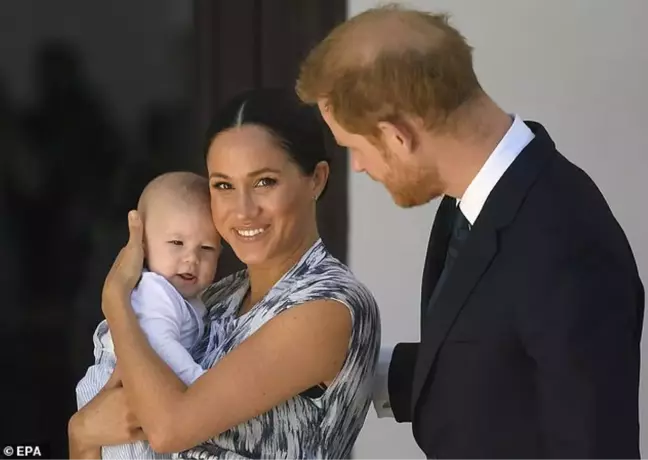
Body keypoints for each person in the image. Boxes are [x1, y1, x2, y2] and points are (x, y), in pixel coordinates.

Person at [296, 5, 644, 460]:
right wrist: (344, 366)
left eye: (355, 148)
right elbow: (494, 364)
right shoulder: (475, 199)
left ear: (397, 136)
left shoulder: (567, 242)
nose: (358, 166)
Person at [68, 88, 381, 460]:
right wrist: (81, 433)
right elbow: (105, 438)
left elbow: (169, 429)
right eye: (224, 186)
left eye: (265, 182)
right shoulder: (213, 298)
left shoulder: (327, 305)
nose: (243, 210)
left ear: (316, 179)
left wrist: (115, 301)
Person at [75, 171, 221, 460]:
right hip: (118, 389)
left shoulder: (190, 298)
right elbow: (161, 345)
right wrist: (202, 386)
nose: (191, 258)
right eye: (177, 243)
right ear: (142, 246)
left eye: (206, 248)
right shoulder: (156, 291)